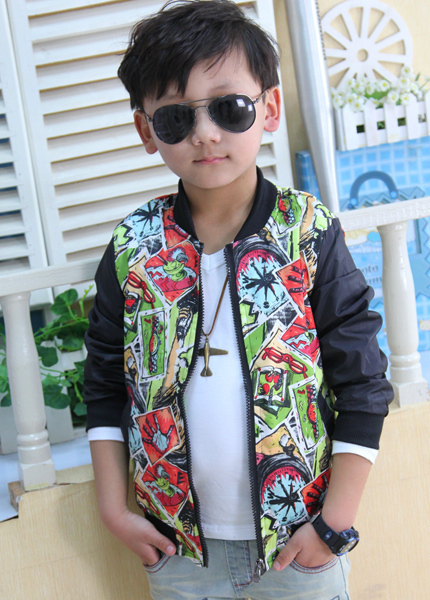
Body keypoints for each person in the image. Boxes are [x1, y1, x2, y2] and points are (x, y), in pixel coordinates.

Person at [83, 1, 394, 598]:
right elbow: (103, 384)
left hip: (298, 541)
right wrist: (114, 510)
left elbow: (363, 380)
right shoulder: (133, 247)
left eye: (229, 108)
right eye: (176, 118)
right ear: (146, 131)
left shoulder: (307, 233)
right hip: (177, 548)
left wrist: (333, 524)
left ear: (268, 108)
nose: (205, 133)